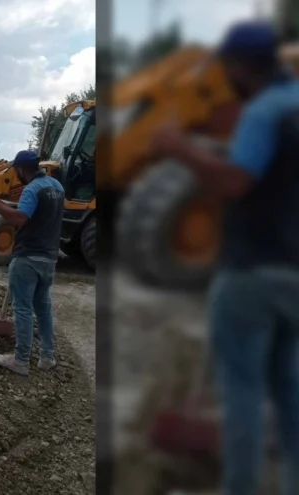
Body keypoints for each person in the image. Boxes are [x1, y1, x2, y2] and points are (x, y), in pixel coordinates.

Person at [151, 20, 299, 495]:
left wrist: (180, 150)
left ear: (238, 65)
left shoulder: (264, 112)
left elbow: (236, 181)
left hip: (252, 272)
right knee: (290, 392)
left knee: (243, 394)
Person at [0, 150, 65, 376]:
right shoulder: (57, 187)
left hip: (28, 257)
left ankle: (20, 360)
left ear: (20, 169)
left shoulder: (31, 189)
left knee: (23, 309)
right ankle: (47, 356)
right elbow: (42, 214)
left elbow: (20, 218)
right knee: (43, 308)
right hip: (49, 258)